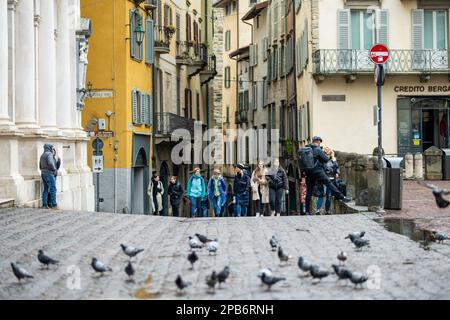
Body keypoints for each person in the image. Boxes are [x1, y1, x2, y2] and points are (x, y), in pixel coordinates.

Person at [304, 136, 351, 215]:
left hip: (309, 172)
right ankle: (342, 197)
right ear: (318, 142)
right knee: (329, 183)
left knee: (309, 191)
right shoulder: (318, 149)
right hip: (318, 170)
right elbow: (326, 159)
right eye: (319, 142)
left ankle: (307, 211)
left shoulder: (306, 149)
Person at [315, 146, 340, 215]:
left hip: (331, 179)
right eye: (326, 150)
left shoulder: (333, 160)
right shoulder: (322, 159)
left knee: (328, 196)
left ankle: (327, 210)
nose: (327, 151)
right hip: (324, 179)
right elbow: (320, 168)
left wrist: (337, 173)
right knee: (322, 194)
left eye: (328, 149)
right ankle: (318, 210)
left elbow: (337, 168)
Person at [40, 144, 60, 210]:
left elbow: (40, 166)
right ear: (50, 148)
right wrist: (54, 169)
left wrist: (58, 161)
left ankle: (44, 205)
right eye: (52, 148)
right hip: (49, 174)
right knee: (53, 189)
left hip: (43, 173)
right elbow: (51, 163)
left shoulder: (42, 155)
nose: (53, 149)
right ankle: (54, 205)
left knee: (45, 189)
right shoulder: (49, 155)